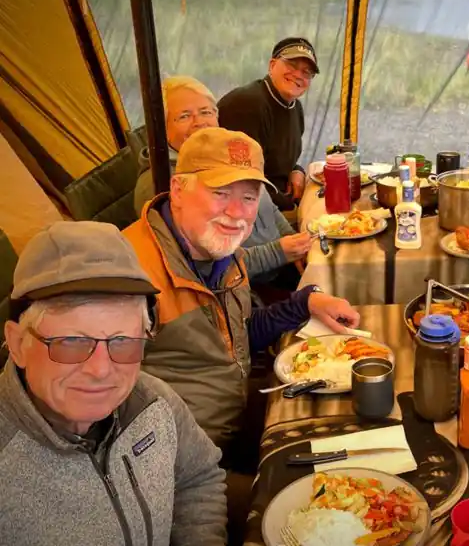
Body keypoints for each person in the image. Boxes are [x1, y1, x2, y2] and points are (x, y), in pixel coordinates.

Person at [123, 127, 359, 458]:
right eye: (220, 192)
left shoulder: (223, 254)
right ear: (177, 189)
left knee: (349, 433)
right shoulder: (129, 277)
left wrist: (304, 303)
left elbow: (234, 337)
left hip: (236, 418)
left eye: (248, 197)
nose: (236, 213)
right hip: (181, 463)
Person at [1, 221, 227, 546]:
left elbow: (197, 478)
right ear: (19, 343)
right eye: (72, 342)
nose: (101, 369)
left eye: (123, 341)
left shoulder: (153, 401)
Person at [134, 75, 312, 288]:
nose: (199, 122)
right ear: (160, 128)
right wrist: (278, 253)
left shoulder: (224, 155)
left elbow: (269, 209)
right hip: (244, 286)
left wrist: (297, 247)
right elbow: (202, 268)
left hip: (281, 265)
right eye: (184, 116)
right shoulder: (161, 184)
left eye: (206, 112)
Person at [218, 37, 319, 212]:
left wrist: (297, 170)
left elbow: (277, 157)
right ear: (272, 65)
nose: (298, 75)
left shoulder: (294, 107)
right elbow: (244, 181)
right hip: (247, 212)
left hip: (276, 203)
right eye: (292, 65)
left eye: (307, 72)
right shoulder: (247, 104)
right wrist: (291, 205)